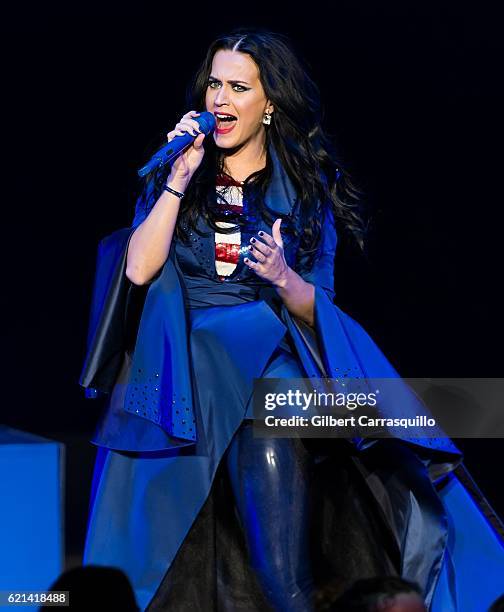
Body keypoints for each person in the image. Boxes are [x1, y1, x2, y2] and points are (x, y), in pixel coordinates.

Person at [80, 28, 504, 612]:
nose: (220, 100)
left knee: (280, 573)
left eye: (238, 87)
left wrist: (282, 276)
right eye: (214, 85)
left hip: (263, 372)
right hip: (184, 373)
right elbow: (139, 270)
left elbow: (317, 304)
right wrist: (177, 180)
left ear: (270, 102)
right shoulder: (176, 173)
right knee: (185, 568)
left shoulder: (306, 187)